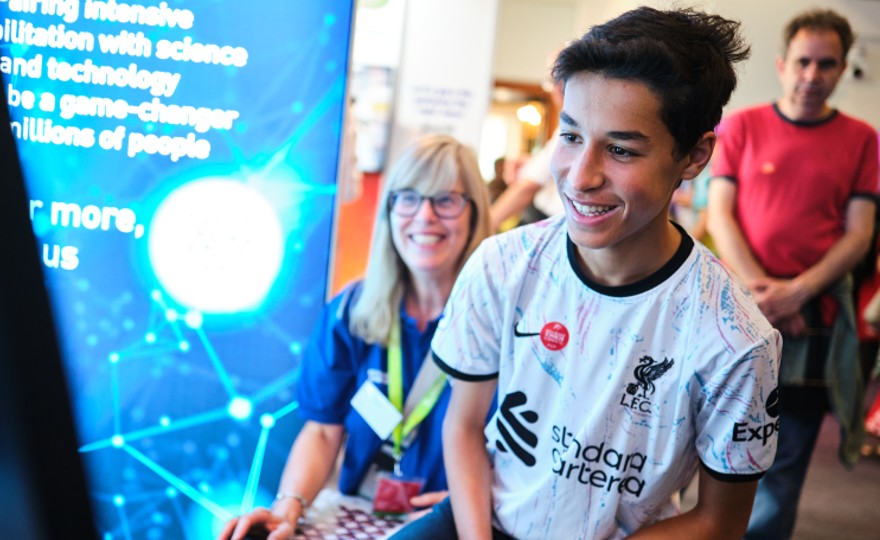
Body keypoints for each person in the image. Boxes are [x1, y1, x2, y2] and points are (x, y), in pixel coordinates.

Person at [393, 7, 780, 540]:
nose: (580, 176)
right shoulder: (502, 264)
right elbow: (462, 426)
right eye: (571, 136)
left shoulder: (735, 339)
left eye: (620, 149)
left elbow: (720, 521)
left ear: (694, 156)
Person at [218, 134, 493, 540]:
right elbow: (322, 430)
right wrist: (288, 506)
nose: (425, 216)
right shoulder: (351, 311)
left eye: (446, 200)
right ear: (389, 210)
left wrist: (463, 505)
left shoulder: (502, 324)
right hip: (357, 511)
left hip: (452, 523)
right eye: (408, 198)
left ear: (474, 213)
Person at [706, 8, 879, 539]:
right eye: (803, 62)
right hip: (737, 307)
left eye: (826, 64)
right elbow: (720, 214)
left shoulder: (863, 140)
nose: (812, 75)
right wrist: (763, 294)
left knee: (782, 462)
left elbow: (859, 233)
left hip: (815, 318)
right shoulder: (740, 125)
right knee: (709, 444)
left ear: (842, 68)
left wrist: (797, 294)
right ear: (783, 65)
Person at [489, 81, 565, 229]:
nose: (554, 91)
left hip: (547, 221)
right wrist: (531, 163)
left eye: (553, 82)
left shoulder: (567, 128)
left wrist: (486, 225)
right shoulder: (562, 128)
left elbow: (527, 187)